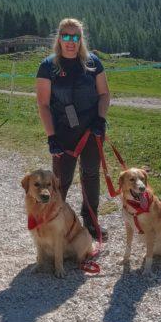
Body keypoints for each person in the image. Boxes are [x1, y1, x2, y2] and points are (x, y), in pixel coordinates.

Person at [36, 18, 111, 242]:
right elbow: (43, 104)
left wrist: (100, 119)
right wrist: (51, 137)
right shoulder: (48, 66)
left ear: (81, 39)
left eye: (75, 37)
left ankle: (90, 222)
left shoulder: (93, 62)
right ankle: (53, 225)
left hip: (91, 130)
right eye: (66, 37)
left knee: (90, 175)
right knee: (60, 181)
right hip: (63, 133)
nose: (71, 42)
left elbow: (105, 94)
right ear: (59, 38)